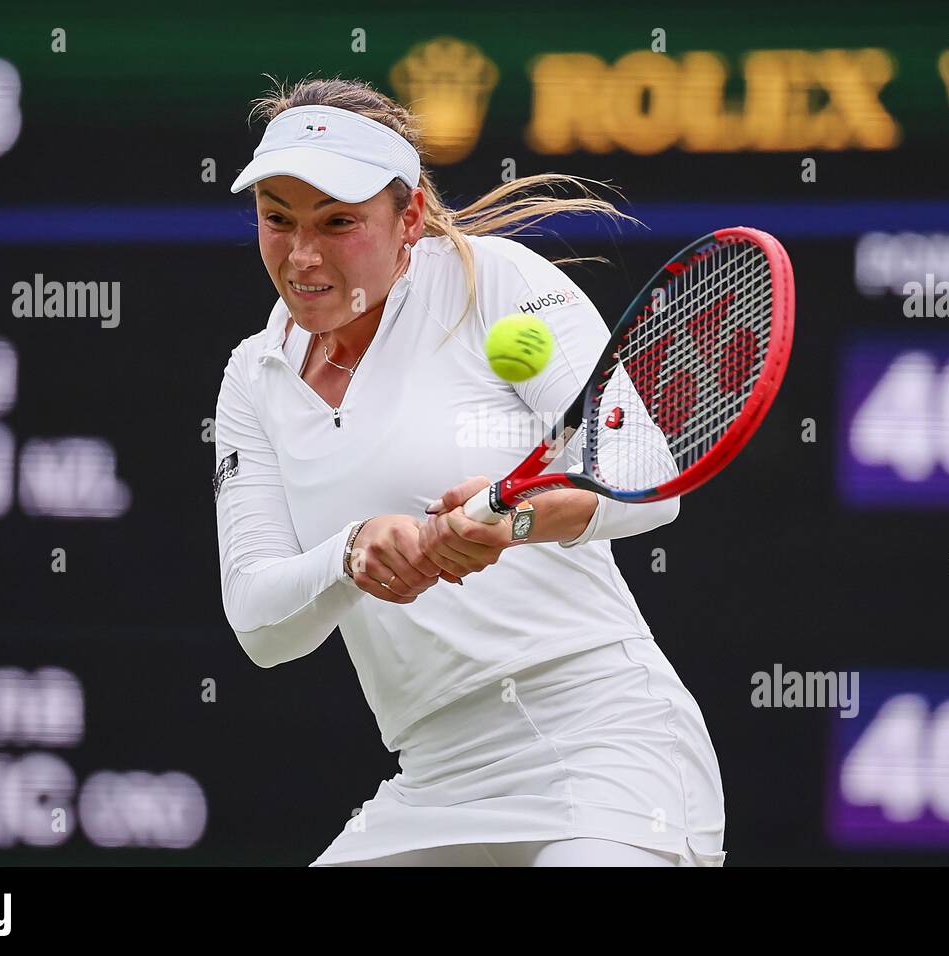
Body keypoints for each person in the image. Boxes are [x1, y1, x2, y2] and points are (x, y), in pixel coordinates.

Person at [214, 76, 725, 866]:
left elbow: (647, 476)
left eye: (338, 222)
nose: (302, 255)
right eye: (276, 220)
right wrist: (351, 554)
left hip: (613, 749)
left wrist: (512, 521)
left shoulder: (498, 281)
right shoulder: (254, 377)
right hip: (436, 781)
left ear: (408, 215)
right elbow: (259, 625)